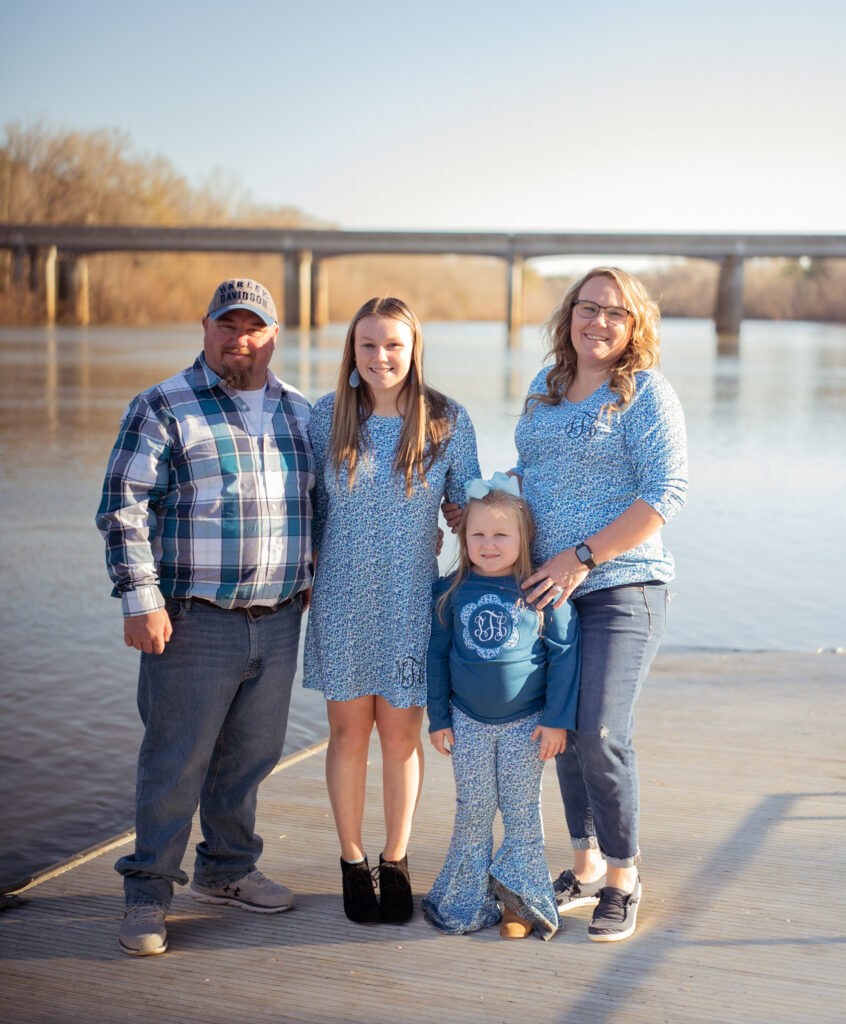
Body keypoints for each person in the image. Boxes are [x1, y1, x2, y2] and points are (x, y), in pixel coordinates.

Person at [96, 278, 314, 956]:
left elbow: (320, 503)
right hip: (192, 620)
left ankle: (226, 872)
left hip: (280, 618)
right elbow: (123, 506)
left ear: (273, 336)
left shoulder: (301, 411)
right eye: (227, 325)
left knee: (252, 756)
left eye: (253, 327)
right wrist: (140, 599)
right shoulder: (163, 405)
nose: (239, 339)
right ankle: (147, 894)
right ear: (205, 327)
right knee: (175, 762)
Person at [515, 266, 688, 942]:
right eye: (589, 308)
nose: (600, 322)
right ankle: (585, 867)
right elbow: (533, 474)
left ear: (634, 325)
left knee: (603, 732)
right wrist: (491, 513)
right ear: (570, 316)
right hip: (550, 591)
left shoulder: (645, 392)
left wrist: (582, 557)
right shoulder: (546, 386)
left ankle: (623, 876)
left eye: (616, 312)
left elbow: (665, 494)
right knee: (563, 729)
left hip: (624, 586)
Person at [302, 296, 480, 925]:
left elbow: (470, 509)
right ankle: (353, 862)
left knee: (401, 737)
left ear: (414, 349)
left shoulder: (446, 420)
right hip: (342, 600)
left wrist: (463, 517)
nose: (381, 357)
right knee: (348, 735)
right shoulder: (326, 417)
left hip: (410, 603)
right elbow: (309, 511)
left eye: (394, 345)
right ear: (352, 350)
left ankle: (396, 858)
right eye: (368, 344)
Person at [422, 478, 580, 941]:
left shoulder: (541, 590)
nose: (488, 544)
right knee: (472, 810)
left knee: (521, 811)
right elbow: (437, 658)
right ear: (463, 537)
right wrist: (439, 718)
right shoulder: (450, 591)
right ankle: (466, 900)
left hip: (527, 726)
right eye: (478, 535)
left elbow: (564, 656)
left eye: (501, 535)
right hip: (467, 722)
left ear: (523, 537)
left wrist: (556, 720)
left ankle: (520, 904)